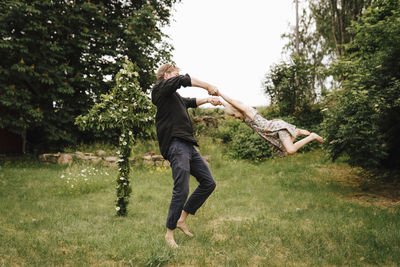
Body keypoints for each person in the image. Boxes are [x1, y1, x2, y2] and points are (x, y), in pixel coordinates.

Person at [151, 63, 221, 248]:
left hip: (188, 145)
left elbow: (189, 101)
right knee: (181, 189)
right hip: (175, 144)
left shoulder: (173, 97)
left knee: (209, 183)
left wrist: (208, 100)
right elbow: (184, 80)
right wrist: (208, 86)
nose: (178, 75)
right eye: (175, 73)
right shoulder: (160, 90)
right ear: (166, 75)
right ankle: (169, 234)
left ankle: (182, 219)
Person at [215, 90, 324, 157]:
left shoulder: (248, 111)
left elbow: (232, 102)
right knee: (285, 153)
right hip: (270, 135)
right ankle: (296, 132)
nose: (234, 118)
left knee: (290, 150)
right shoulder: (243, 117)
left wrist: (219, 93)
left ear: (237, 110)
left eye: (233, 115)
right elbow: (230, 106)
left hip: (276, 129)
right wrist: (221, 102)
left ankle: (312, 136)